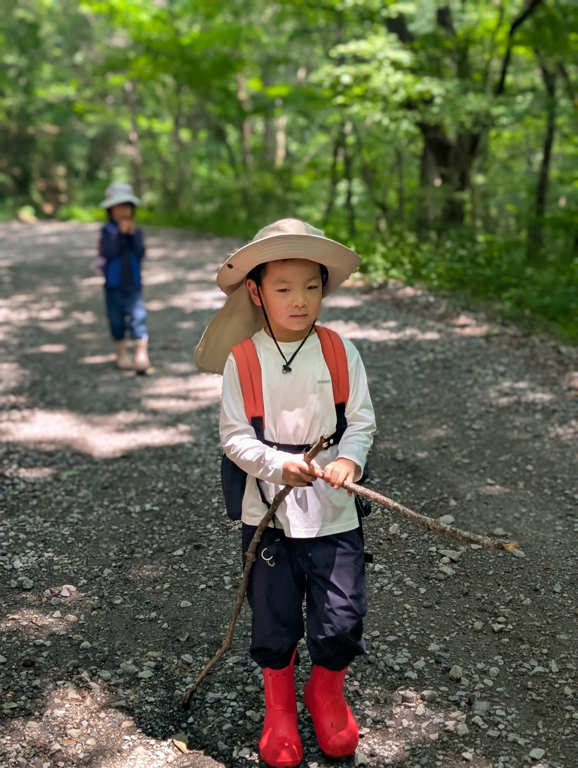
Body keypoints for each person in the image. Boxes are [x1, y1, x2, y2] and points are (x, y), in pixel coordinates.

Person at [195, 219, 376, 768]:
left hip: (335, 509)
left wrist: (347, 459)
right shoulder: (244, 359)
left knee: (342, 612)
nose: (300, 300)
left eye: (311, 287)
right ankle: (279, 707)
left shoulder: (340, 352)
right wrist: (277, 465)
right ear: (256, 292)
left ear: (324, 288)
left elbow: (361, 421)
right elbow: (234, 437)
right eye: (283, 288)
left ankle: (326, 692)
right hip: (267, 513)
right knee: (273, 614)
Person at [97, 182, 150, 372]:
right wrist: (120, 234)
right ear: (110, 210)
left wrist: (132, 235)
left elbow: (140, 252)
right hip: (113, 284)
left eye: (127, 206)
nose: (123, 211)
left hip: (133, 284)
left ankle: (141, 353)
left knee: (138, 317)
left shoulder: (137, 232)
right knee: (116, 319)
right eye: (118, 206)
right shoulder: (107, 231)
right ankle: (121, 352)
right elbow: (109, 252)